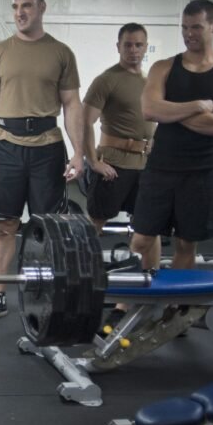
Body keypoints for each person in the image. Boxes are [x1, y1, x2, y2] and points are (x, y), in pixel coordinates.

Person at [0, 0, 84, 324]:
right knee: (5, 226)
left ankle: (46, 295)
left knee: (48, 227)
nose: (20, 13)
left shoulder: (61, 52)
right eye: (16, 6)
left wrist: (79, 153)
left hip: (47, 146)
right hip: (6, 146)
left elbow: (72, 104)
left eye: (27, 6)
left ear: (42, 8)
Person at [131, 0, 213, 271]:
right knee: (142, 239)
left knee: (186, 244)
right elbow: (149, 109)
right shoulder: (163, 67)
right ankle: (136, 300)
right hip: (160, 167)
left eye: (196, 27)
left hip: (199, 171)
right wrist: (195, 106)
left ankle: (175, 309)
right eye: (184, 27)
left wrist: (170, 112)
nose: (188, 34)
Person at [82, 23, 160, 325]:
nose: (133, 50)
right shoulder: (107, 80)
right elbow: (84, 122)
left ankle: (147, 292)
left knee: (148, 227)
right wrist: (93, 161)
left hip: (145, 167)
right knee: (96, 223)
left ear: (145, 47)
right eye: (128, 45)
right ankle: (82, 285)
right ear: (118, 46)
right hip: (113, 165)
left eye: (139, 45)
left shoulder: (151, 81)